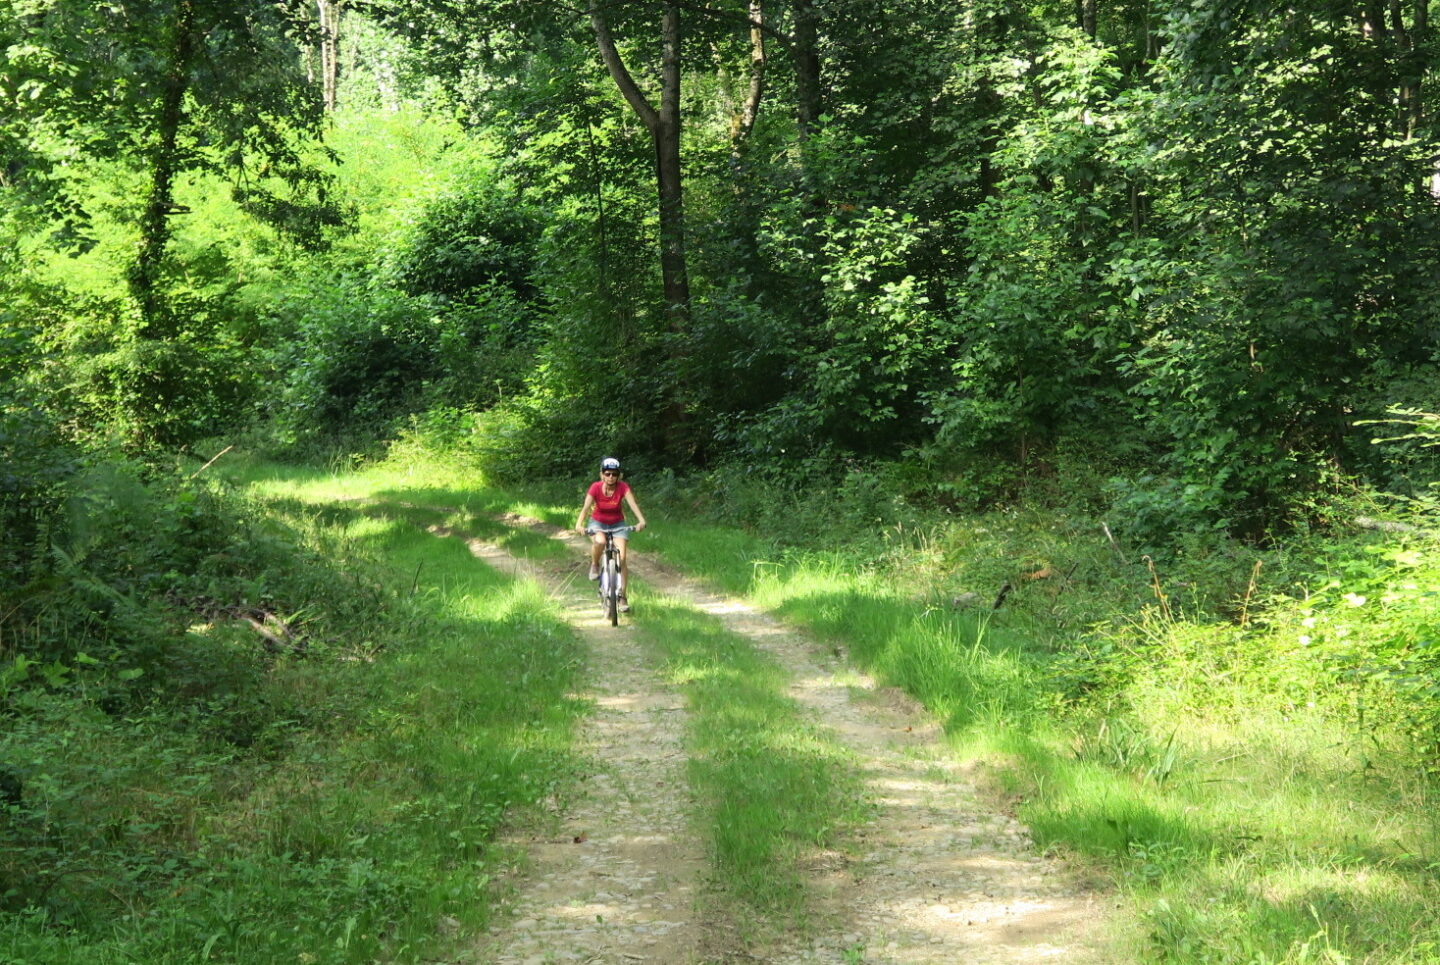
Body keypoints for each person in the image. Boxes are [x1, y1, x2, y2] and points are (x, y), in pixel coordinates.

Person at [575, 457, 647, 612]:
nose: (611, 477)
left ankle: (622, 596)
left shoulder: (623, 487)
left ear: (618, 476)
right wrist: (579, 525)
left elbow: (632, 504)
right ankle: (594, 565)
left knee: (621, 557)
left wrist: (641, 521)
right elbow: (586, 507)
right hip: (598, 523)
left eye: (614, 474)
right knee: (600, 542)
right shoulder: (595, 487)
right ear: (602, 474)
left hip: (618, 523)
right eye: (607, 474)